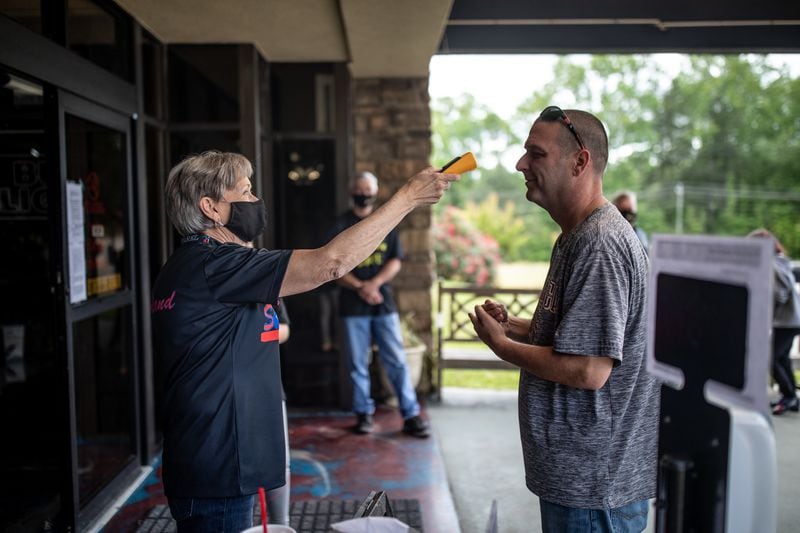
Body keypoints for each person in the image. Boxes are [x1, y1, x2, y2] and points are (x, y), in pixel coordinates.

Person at [151, 151, 456, 532]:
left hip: (213, 459)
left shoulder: (193, 263)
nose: (254, 201)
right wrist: (408, 197)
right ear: (211, 207)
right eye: (244, 192)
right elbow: (332, 262)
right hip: (219, 468)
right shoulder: (216, 265)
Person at [469, 107, 660, 532]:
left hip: (594, 491)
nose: (521, 165)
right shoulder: (574, 236)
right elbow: (578, 337)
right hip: (581, 483)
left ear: (580, 162)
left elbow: (589, 370)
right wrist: (514, 325)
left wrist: (502, 346)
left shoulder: (599, 245)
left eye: (535, 154)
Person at [330, 171, 430, 438]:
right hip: (352, 306)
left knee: (396, 361)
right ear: (352, 192)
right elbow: (332, 264)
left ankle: (410, 415)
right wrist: (360, 287)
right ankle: (363, 415)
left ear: (375, 193)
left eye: (368, 189)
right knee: (356, 364)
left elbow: (395, 259)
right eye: (360, 189)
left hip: (382, 304)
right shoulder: (340, 225)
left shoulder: (385, 223)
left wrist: (373, 285)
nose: (364, 194)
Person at [748, 229, 800, 415]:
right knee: (782, 358)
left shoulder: (771, 264)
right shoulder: (781, 261)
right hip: (791, 320)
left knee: (771, 359)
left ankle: (789, 396)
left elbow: (781, 292)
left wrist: (767, 314)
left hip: (786, 321)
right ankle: (793, 397)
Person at [266, 298, 291, 525]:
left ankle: (281, 524)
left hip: (270, 386)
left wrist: (257, 336)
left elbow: (284, 329)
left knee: (280, 463)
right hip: (230, 389)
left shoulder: (270, 287)